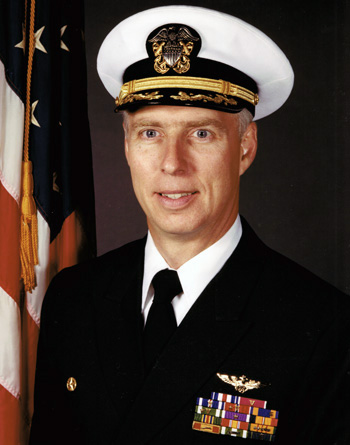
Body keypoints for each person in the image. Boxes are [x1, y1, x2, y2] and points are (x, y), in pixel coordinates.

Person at [29, 5, 350, 444]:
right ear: (126, 146)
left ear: (245, 147)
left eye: (201, 133)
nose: (172, 164)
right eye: (150, 133)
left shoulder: (325, 327)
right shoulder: (73, 300)